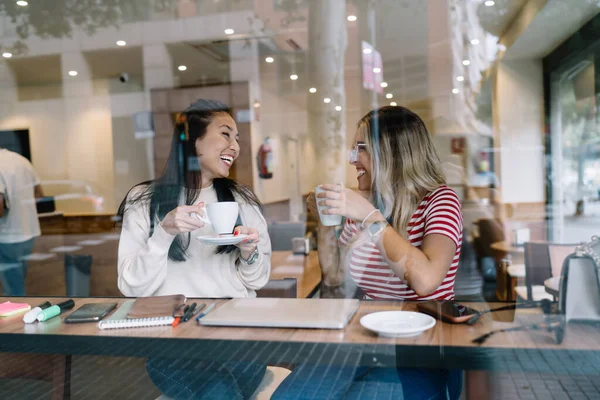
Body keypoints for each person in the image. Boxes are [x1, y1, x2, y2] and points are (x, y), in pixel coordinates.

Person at [274, 106, 463, 399]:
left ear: (393, 152)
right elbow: (335, 277)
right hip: (366, 338)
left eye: (361, 148)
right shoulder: (366, 203)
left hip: (421, 345)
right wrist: (325, 219)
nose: (351, 159)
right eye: (352, 148)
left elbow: (426, 281)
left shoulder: (440, 201)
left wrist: (370, 216)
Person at [117, 99, 271, 400]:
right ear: (192, 141)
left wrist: (249, 251)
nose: (235, 146)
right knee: (218, 392)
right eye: (226, 134)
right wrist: (164, 234)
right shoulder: (144, 200)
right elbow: (129, 284)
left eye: (237, 138)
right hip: (173, 341)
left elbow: (258, 280)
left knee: (222, 392)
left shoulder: (241, 199)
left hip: (236, 336)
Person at [0, 147, 44, 296]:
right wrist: (24, 210)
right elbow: (39, 194)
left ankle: (18, 317)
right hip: (28, 233)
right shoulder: (22, 161)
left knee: (13, 290)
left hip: (7, 236)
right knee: (17, 282)